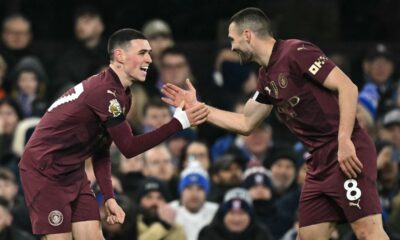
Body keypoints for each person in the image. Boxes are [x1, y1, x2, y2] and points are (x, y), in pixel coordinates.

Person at [162, 7, 389, 240]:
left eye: (232, 39)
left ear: (247, 34)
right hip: (319, 161)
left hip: (346, 151)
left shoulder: (296, 52)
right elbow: (246, 122)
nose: (232, 47)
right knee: (309, 236)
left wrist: (344, 140)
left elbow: (348, 87)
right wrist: (198, 108)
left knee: (366, 232)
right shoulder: (265, 77)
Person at [18, 28, 209, 239]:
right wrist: (178, 122)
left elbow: (101, 148)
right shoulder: (105, 93)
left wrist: (109, 197)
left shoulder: (122, 95)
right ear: (120, 56)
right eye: (142, 53)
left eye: (149, 53)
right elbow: (128, 147)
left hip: (72, 168)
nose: (149, 59)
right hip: (45, 169)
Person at [169, 160, 218, 240]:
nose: (194, 194)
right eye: (189, 188)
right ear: (181, 191)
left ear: (206, 192)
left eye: (199, 188)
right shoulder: (170, 210)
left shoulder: (216, 212)